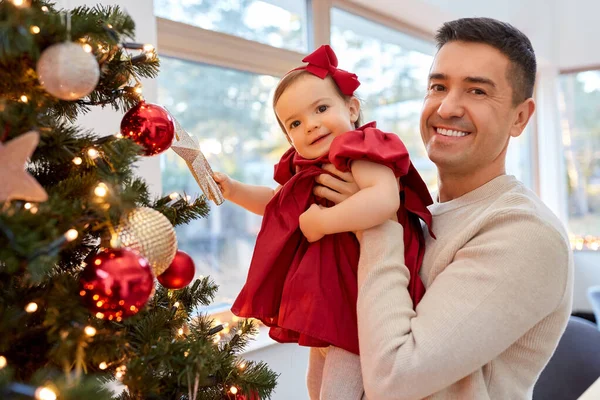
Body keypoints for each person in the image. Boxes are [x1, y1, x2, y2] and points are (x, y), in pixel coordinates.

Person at [313, 17, 574, 399]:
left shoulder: (525, 233)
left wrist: (374, 220)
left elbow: (393, 380)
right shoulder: (419, 214)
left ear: (520, 117)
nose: (448, 107)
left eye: (477, 91)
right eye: (438, 86)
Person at [214, 45, 434, 399]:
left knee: (337, 392)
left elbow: (384, 198)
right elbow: (279, 206)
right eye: (296, 123)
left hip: (364, 302)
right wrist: (235, 190)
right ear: (289, 139)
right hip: (328, 299)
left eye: (321, 108)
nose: (311, 124)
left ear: (351, 108)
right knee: (316, 388)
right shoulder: (308, 169)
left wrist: (323, 222)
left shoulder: (360, 149)